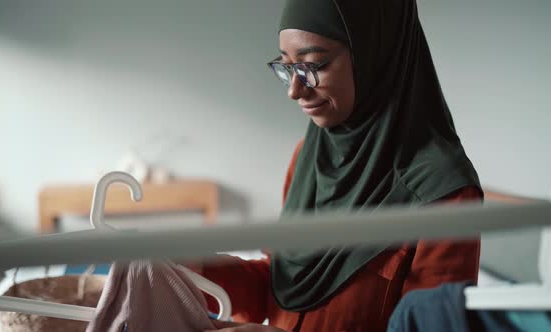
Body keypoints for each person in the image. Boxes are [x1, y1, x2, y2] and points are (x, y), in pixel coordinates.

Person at [201, 0, 482, 331]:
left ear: (374, 56)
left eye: (313, 65)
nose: (294, 90)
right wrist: (191, 269)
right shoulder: (308, 156)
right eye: (286, 66)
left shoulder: (442, 192)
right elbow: (284, 284)